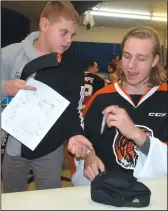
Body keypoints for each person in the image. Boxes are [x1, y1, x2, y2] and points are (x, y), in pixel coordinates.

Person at [1, 1, 93, 193]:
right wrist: (5, 87)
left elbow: (73, 109)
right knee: (12, 198)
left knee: (50, 198)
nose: (69, 40)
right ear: (44, 25)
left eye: (72, 35)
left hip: (50, 148)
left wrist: (75, 133)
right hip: (11, 147)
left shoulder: (72, 66)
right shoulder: (9, 55)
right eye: (63, 32)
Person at [72, 26, 167, 186]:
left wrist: (136, 134)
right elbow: (84, 140)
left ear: (155, 61)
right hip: (106, 192)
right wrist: (88, 155)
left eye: (141, 58)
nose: (131, 65)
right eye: (127, 56)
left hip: (154, 194)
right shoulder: (101, 97)